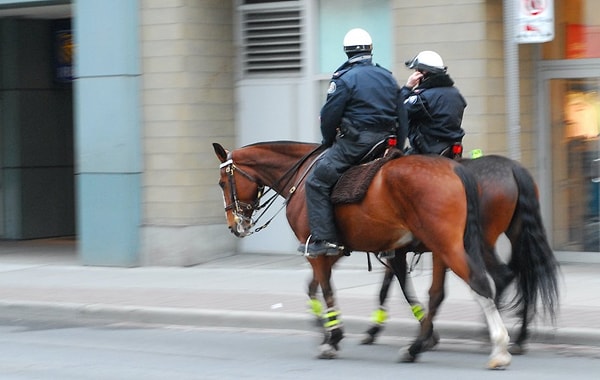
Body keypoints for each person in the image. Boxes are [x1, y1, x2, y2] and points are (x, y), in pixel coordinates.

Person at [300, 28, 408, 257]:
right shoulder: (388, 77)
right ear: (370, 50)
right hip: (385, 143)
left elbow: (330, 117)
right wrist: (398, 145)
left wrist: (328, 142)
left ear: (346, 52)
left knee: (316, 182)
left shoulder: (344, 79)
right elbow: (402, 116)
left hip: (356, 144)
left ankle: (325, 240)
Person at [401, 51, 466, 157]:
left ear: (424, 72)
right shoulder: (455, 93)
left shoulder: (423, 97)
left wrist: (407, 88)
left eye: (417, 70)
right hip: (452, 150)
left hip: (427, 151)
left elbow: (400, 111)